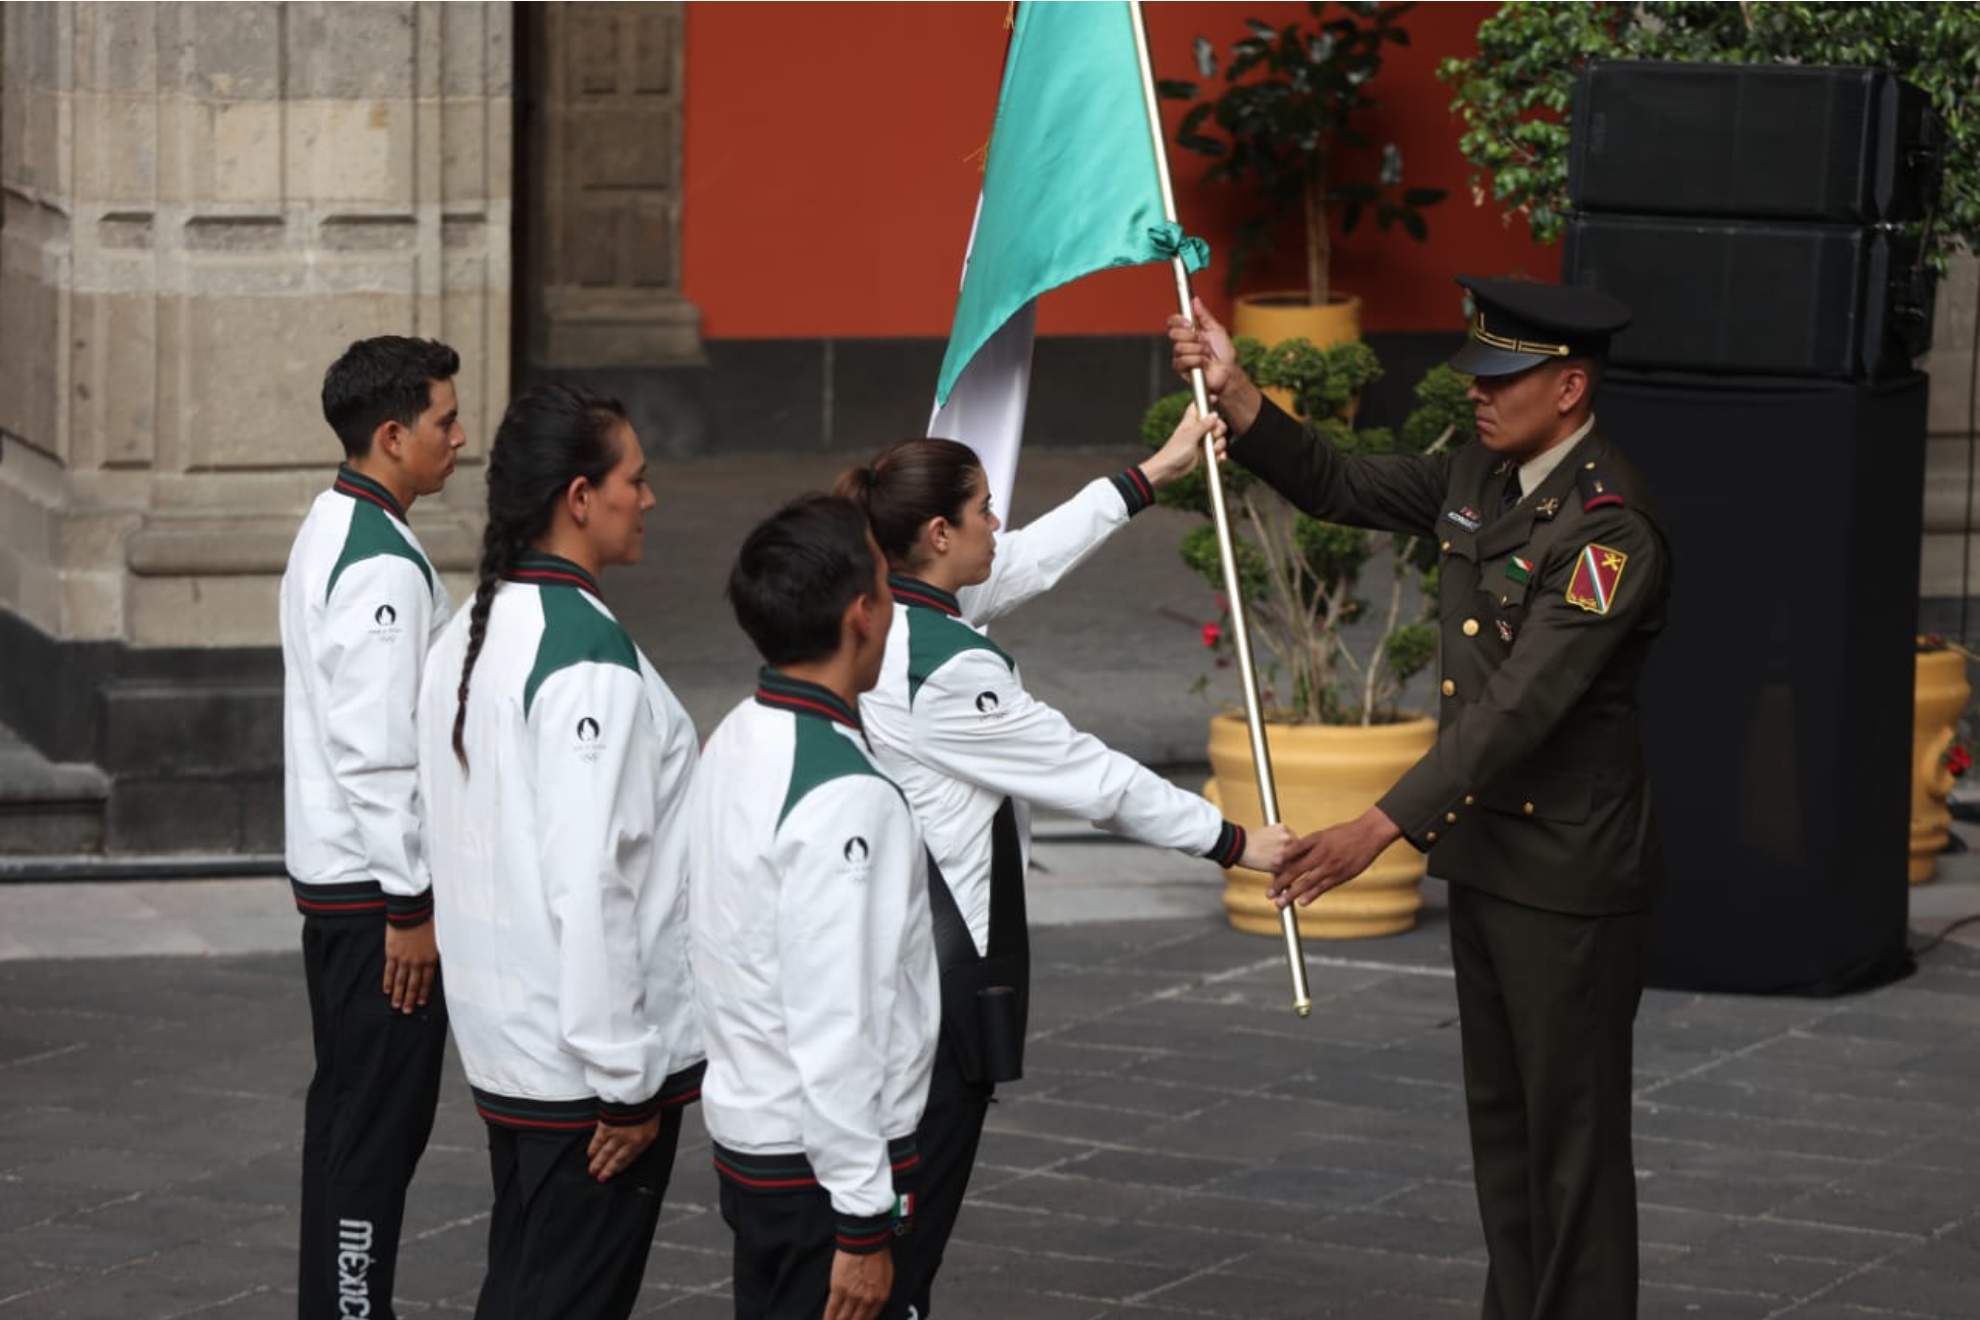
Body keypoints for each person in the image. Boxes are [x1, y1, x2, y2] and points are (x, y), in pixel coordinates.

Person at [1171, 278, 1668, 1320]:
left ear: (1570, 387)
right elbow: (1342, 485)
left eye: (1503, 379)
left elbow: (1518, 712)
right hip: (1489, 856)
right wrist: (1240, 390)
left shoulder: (1607, 534)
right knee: (1505, 1130)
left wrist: (1374, 828)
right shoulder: (1480, 475)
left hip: (1567, 879)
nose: (1478, 395)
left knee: (1569, 1147)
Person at [838, 409, 1296, 1318]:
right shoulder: (948, 670)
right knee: (900, 1252)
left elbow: (1032, 557)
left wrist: (1151, 473)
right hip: (937, 985)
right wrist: (1235, 842)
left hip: (881, 954)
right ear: (938, 535)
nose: (996, 526)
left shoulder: (880, 616)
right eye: (983, 511)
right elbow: (1093, 778)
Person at [417, 384, 704, 1320]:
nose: (649, 499)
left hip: (514, 1045)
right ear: (580, 497)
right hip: (584, 1071)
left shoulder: (470, 626)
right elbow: (591, 880)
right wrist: (626, 1081)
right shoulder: (580, 653)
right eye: (636, 479)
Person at [688, 495, 940, 1320]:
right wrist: (863, 1221)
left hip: (759, 1142)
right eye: (885, 578)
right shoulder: (844, 792)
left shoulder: (735, 733)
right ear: (862, 614)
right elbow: (839, 1018)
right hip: (818, 1171)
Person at [281, 335, 465, 1320]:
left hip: (341, 887)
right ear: (391, 435)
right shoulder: (380, 565)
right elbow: (376, 752)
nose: (459, 437)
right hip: (373, 900)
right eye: (444, 420)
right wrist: (411, 905)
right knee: (374, 1138)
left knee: (347, 1123)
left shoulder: (337, 523)